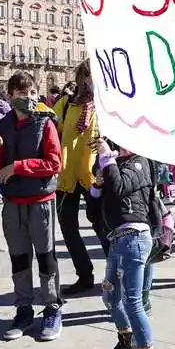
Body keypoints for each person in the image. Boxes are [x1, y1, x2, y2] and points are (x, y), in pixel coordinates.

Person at [0, 71, 65, 341]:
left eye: (32, 93)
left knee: (46, 256)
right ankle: (23, 308)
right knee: (19, 257)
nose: (28, 98)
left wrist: (18, 167)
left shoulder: (45, 124)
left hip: (40, 201)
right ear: (11, 96)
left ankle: (52, 307)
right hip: (13, 203)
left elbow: (54, 164)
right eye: (22, 94)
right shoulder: (2, 126)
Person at [91, 138, 163, 349]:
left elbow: (120, 187)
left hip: (134, 237)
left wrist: (107, 159)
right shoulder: (118, 163)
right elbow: (102, 199)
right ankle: (127, 343)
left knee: (133, 301)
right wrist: (97, 184)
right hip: (118, 238)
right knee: (111, 296)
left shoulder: (139, 163)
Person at [52, 60, 105, 295]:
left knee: (103, 227)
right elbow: (50, 130)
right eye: (90, 75)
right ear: (82, 77)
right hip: (67, 177)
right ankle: (84, 275)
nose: (92, 80)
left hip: (95, 177)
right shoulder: (64, 104)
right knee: (68, 228)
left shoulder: (107, 106)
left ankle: (118, 275)